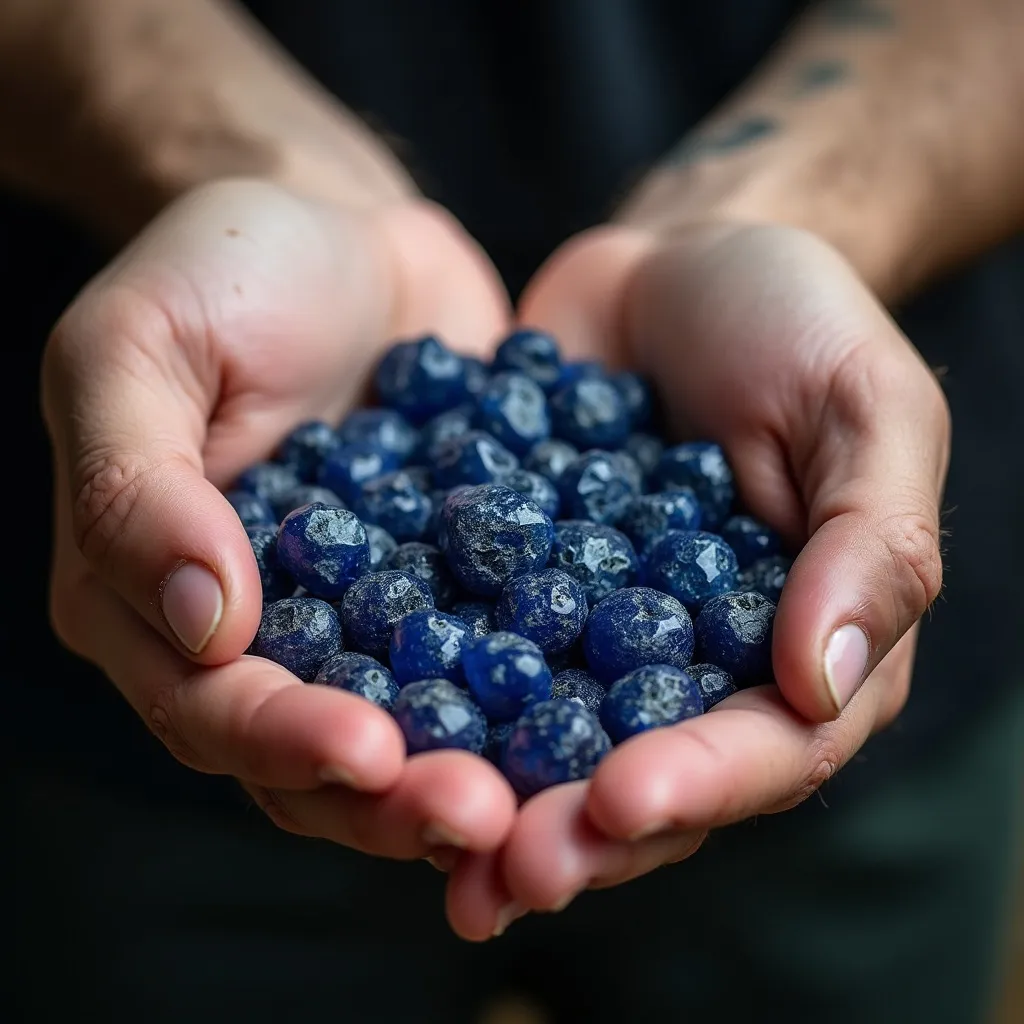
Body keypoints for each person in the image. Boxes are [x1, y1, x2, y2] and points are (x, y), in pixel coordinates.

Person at [4, 0, 1023, 1021]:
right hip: (140, 760)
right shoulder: (387, 542)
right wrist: (259, 176)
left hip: (864, 714)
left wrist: (776, 219)